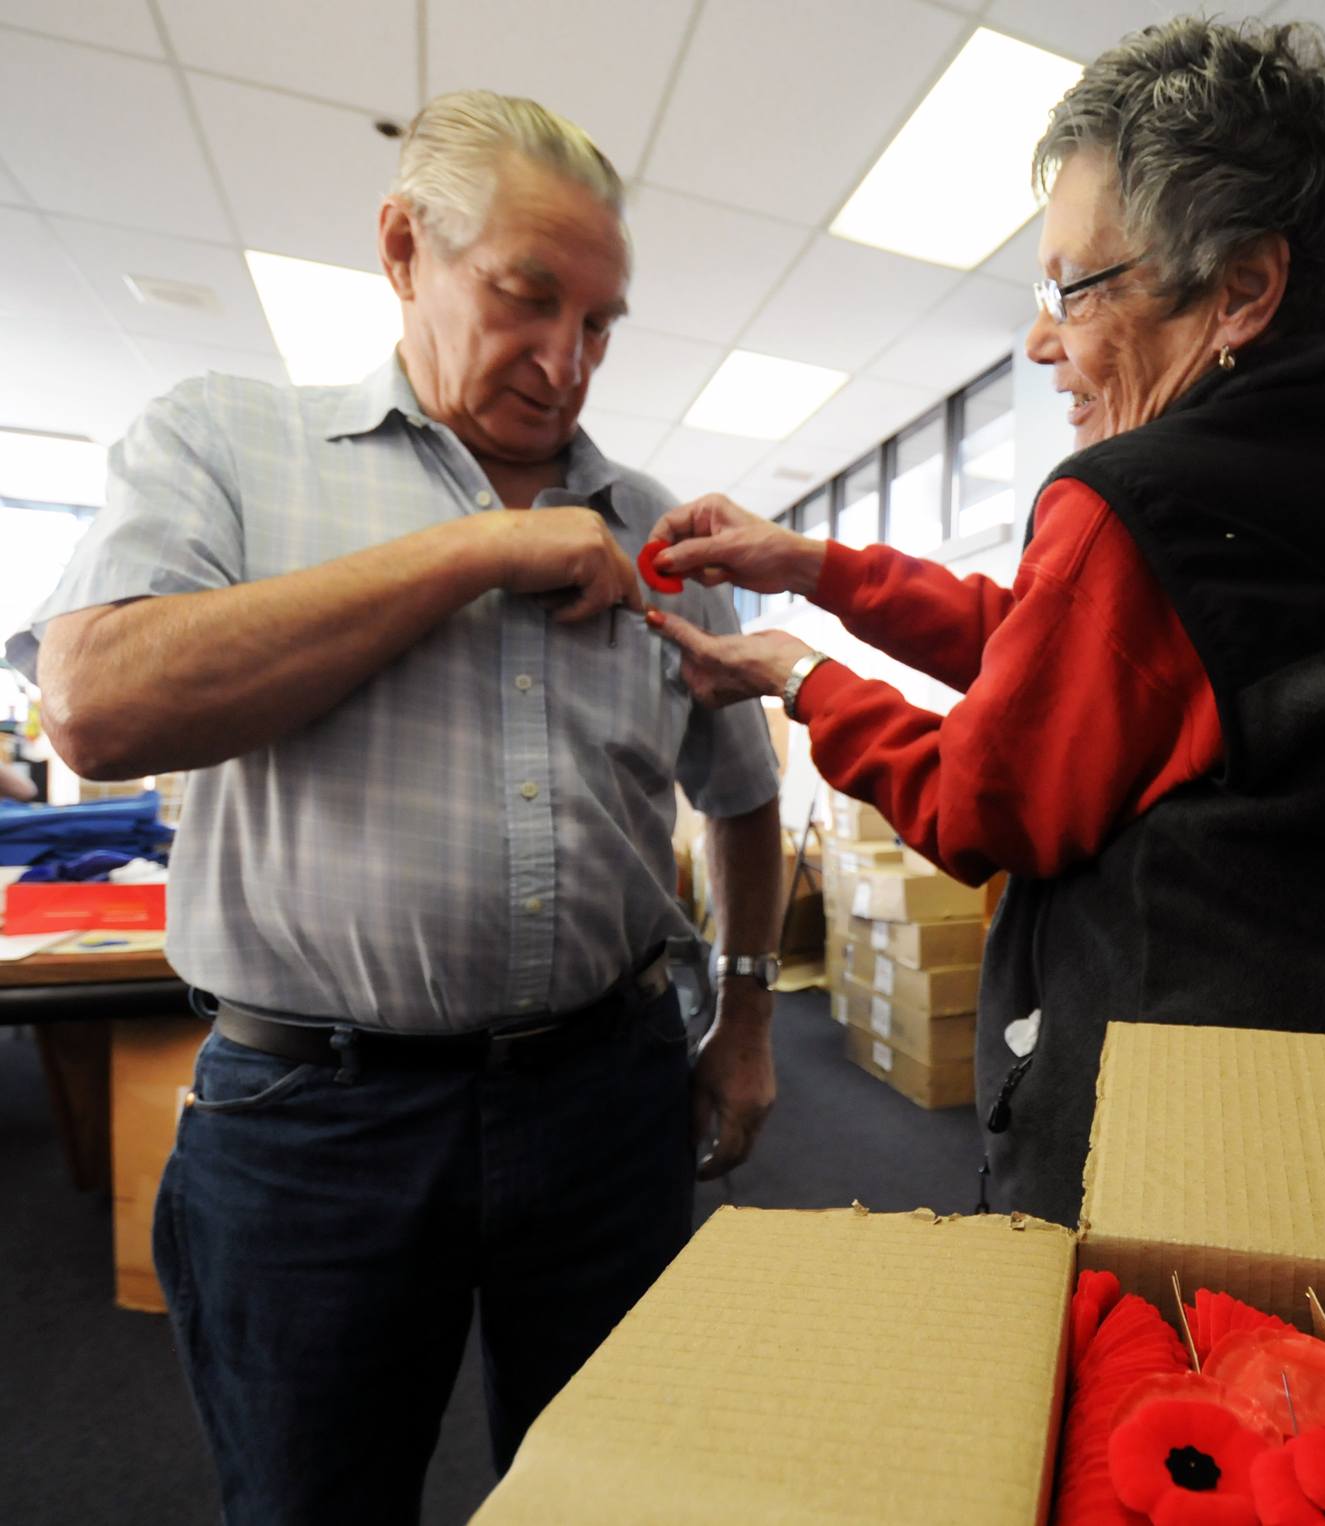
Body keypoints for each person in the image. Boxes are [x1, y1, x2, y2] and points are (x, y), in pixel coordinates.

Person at [5, 92, 783, 1524]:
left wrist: (741, 1020)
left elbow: (740, 794)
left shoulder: (660, 529)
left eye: (601, 323)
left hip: (607, 1095)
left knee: (608, 1491)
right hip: (314, 1123)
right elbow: (98, 708)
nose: (566, 364)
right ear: (403, 248)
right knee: (313, 1497)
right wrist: (479, 548)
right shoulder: (222, 444)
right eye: (526, 298)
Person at [641, 19, 1325, 1228]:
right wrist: (819, 566)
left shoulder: (1143, 497)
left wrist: (800, 679)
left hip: (1187, 1155)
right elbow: (1089, 661)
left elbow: (982, 797)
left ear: (1243, 289)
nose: (1044, 340)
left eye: (1071, 289)